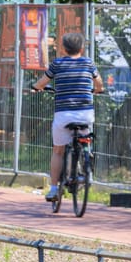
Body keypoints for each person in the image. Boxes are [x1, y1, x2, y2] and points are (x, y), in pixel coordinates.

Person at [30, 32, 104, 201]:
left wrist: (35, 87)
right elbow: (99, 84)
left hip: (63, 114)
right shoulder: (88, 63)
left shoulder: (57, 63)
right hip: (85, 114)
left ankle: (54, 189)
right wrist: (98, 90)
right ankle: (87, 155)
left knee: (58, 150)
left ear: (63, 48)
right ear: (82, 48)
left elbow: (42, 83)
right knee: (85, 136)